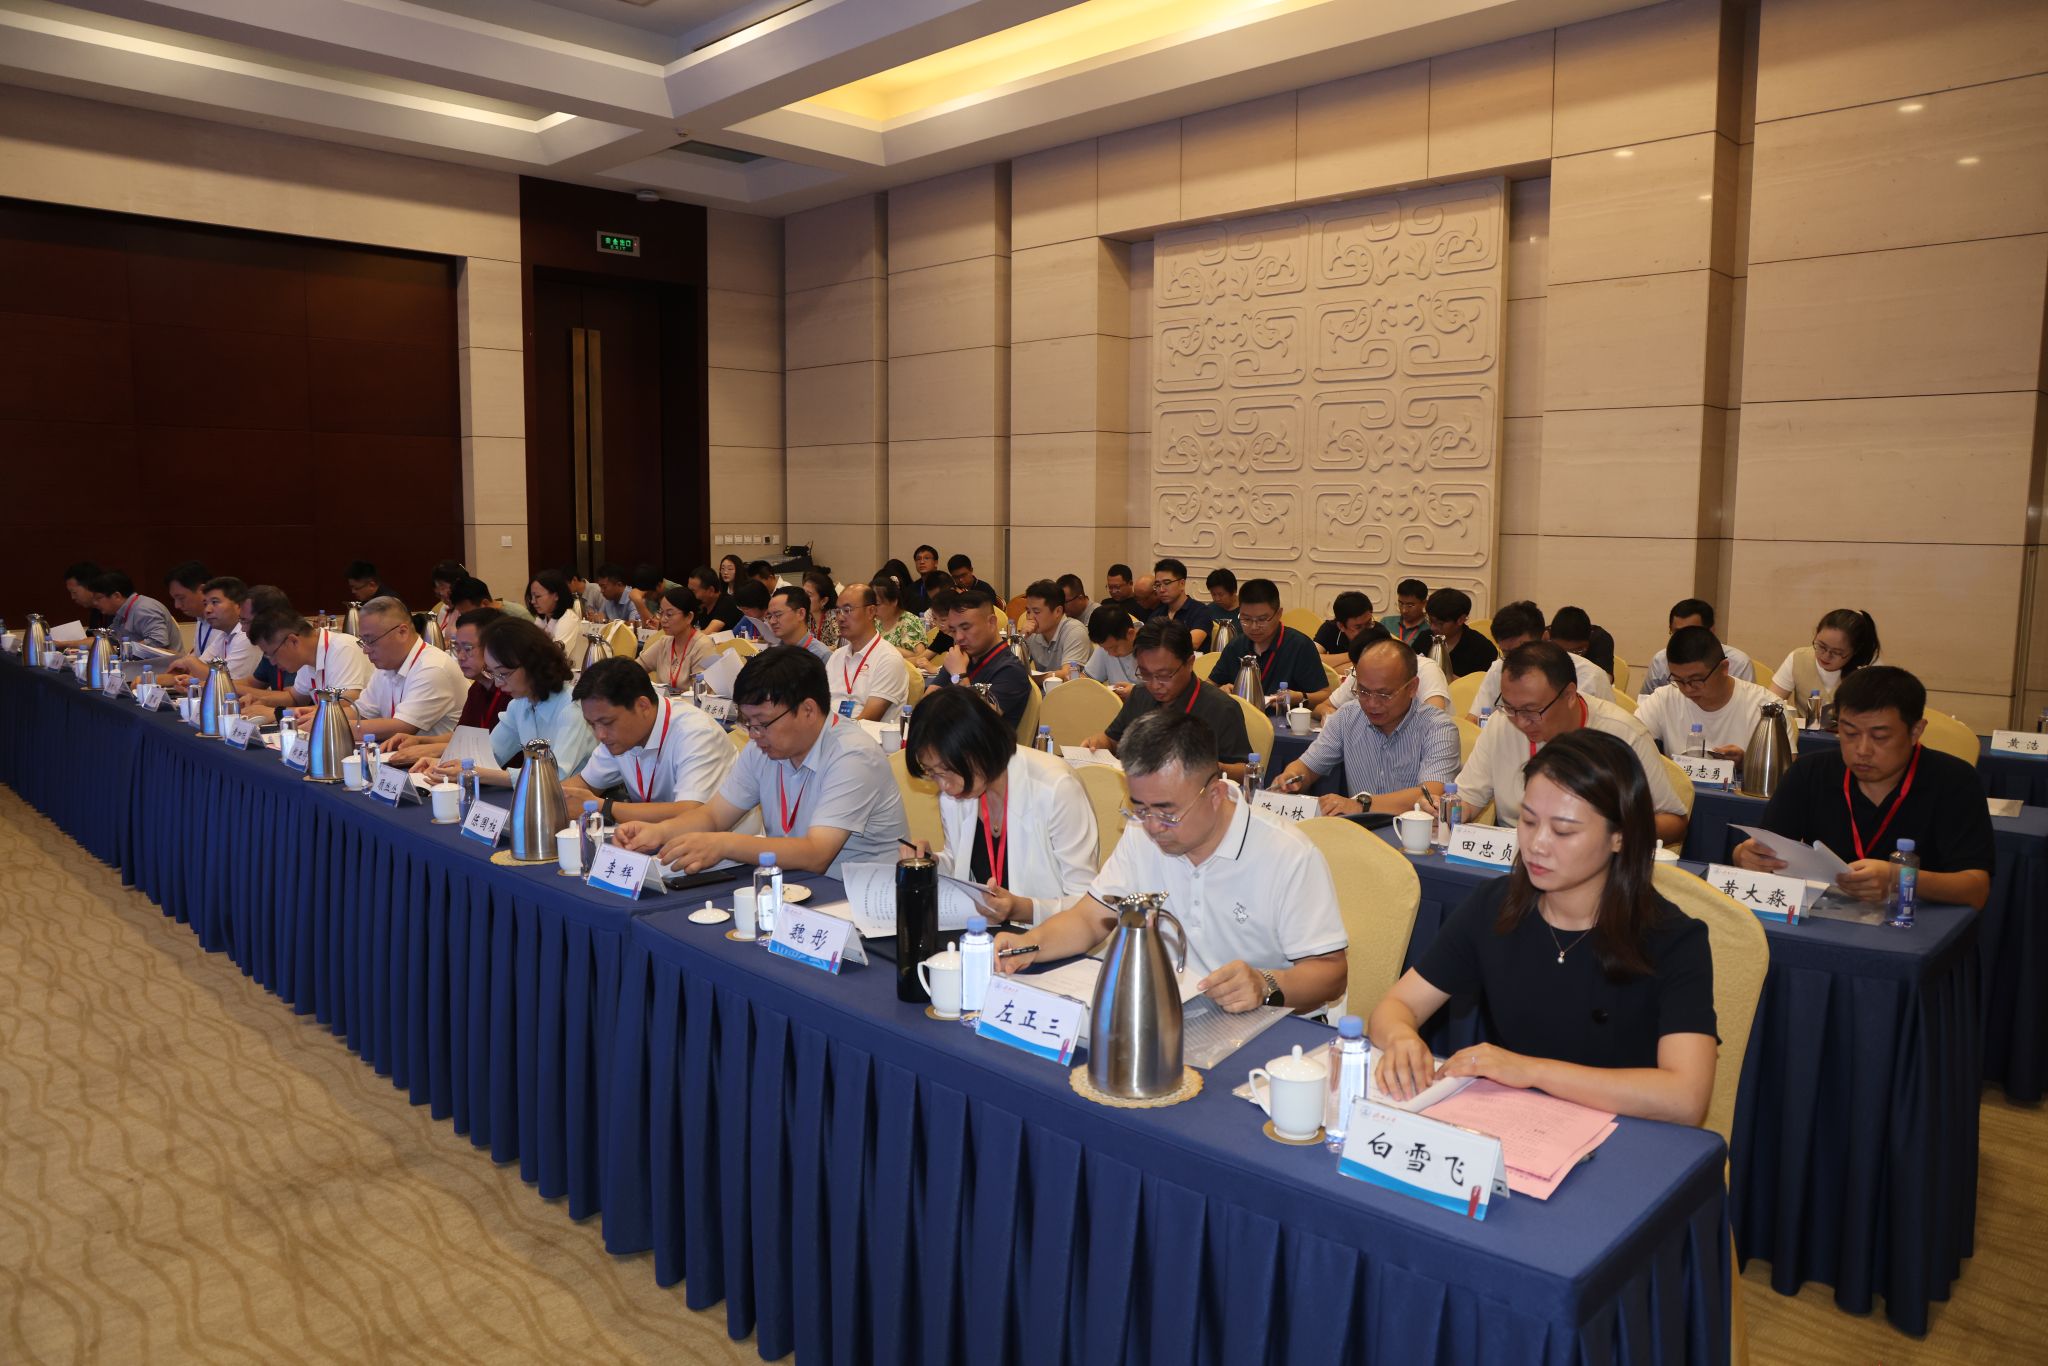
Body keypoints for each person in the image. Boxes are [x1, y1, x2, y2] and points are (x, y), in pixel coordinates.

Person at [1369, 729, 1717, 1124]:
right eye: (1529, 821)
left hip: (1624, 1134)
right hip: (1513, 1125)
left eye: (1564, 831)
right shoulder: (1496, 906)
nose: (1537, 844)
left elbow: (1686, 1098)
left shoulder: (1672, 939)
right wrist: (1401, 1038)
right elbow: (1395, 1007)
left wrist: (1531, 1071)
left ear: (1620, 836)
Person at [996, 711, 1347, 1013]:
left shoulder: (1287, 854)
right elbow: (1090, 918)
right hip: (1168, 1013)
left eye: (1167, 813)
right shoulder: (1141, 833)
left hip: (1264, 1028)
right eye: (1139, 809)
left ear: (1215, 793)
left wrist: (1265, 983)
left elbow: (1331, 973)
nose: (1152, 826)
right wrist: (1030, 945)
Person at [615, 645, 909, 877]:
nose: (754, 734)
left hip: (855, 895)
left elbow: (816, 854)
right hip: (793, 883)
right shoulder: (764, 746)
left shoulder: (853, 755)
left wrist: (724, 844)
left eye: (762, 723)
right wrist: (658, 832)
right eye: (748, 723)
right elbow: (714, 816)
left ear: (808, 710)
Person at [1733, 666, 1992, 910]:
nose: (1862, 750)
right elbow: (1765, 849)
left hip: (1914, 924)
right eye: (1850, 733)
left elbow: (1976, 889)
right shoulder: (1810, 772)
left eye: (1880, 737)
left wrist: (1899, 878)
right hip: (1824, 919)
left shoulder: (1954, 780)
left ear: (1915, 731)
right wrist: (1744, 855)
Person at [1445, 643, 1690, 845]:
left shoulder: (1623, 734)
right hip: (1514, 858)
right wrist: (1446, 810)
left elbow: (1674, 822)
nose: (1520, 721)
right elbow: (1468, 799)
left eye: (1532, 710)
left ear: (1570, 695)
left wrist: (1609, 834)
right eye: (1510, 707)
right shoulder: (1501, 724)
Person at [902, 686, 1098, 926]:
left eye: (948, 770)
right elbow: (962, 867)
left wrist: (1021, 909)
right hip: (983, 933)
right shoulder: (955, 793)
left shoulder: (1056, 788)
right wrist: (930, 863)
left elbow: (1088, 904)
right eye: (932, 772)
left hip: (1049, 936)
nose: (944, 786)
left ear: (981, 745)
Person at [1271, 639, 1461, 814]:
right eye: (1363, 691)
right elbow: (1307, 766)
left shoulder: (1438, 727)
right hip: (1359, 832)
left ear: (1412, 687)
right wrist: (1292, 776)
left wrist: (1361, 804)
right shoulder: (1348, 716)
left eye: (1384, 694)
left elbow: (1430, 795)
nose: (1371, 703)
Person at [414, 617, 593, 786]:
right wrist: (442, 764)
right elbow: (488, 756)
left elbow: (556, 775)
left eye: (504, 674)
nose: (498, 683)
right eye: (493, 673)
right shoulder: (520, 705)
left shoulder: (572, 708)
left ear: (532, 664)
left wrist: (477, 773)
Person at [562, 659, 742, 825]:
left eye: (607, 722)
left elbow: (690, 814)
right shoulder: (619, 736)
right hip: (658, 840)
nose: (599, 734)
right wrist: (551, 798)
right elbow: (584, 783)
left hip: (723, 846)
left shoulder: (697, 733)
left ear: (643, 706)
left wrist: (603, 808)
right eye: (592, 724)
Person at [1084, 618, 1251, 774]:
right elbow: (1111, 739)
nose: (1154, 685)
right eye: (1145, 674)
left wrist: (1211, 768)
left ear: (1189, 663)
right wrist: (1099, 743)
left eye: (1164, 675)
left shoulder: (1221, 708)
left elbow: (1245, 770)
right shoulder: (1140, 695)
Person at [1635, 627, 1783, 767]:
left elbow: (1786, 772)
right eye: (1678, 680)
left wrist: (1747, 763)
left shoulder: (1766, 707)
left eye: (1696, 680)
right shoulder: (1663, 699)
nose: (1687, 689)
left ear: (1724, 668)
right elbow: (1630, 745)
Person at [383, 607, 508, 764]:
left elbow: (494, 750)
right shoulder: (477, 688)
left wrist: (435, 750)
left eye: (468, 649)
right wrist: (420, 741)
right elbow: (462, 737)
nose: (460, 657)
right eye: (457, 648)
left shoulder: (511, 691)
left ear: (494, 647)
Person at [1462, 601, 1613, 721]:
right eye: (1507, 653)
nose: (1515, 660)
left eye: (1521, 650)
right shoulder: (1499, 668)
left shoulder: (1590, 676)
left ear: (1545, 638)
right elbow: (1474, 719)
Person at [343, 595, 468, 740]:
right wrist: (326, 717)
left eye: (370, 640)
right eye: (363, 641)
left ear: (402, 632)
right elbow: (360, 713)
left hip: (440, 753)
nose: (365, 650)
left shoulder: (433, 667)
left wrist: (333, 726)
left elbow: (401, 728)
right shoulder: (386, 665)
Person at [1207, 578, 1328, 706]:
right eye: (1246, 619)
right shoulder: (1235, 646)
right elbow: (1208, 685)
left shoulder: (1299, 645)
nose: (1254, 627)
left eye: (1262, 619)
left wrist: (1299, 697)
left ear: (1279, 614)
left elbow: (1325, 694)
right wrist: (1220, 691)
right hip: (1241, 716)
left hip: (1282, 717)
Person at [932, 589, 1034, 730]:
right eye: (953, 630)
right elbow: (928, 704)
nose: (958, 637)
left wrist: (959, 676)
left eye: (966, 628)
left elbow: (978, 723)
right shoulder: (961, 657)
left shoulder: (1010, 670)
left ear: (991, 622)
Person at [242, 608, 371, 713]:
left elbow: (345, 704)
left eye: (272, 654)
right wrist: (262, 701)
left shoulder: (343, 647)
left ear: (293, 641)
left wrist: (277, 713)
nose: (273, 662)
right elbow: (295, 698)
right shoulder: (306, 657)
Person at [825, 582, 913, 723]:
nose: (840, 617)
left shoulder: (888, 659)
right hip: (831, 730)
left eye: (847, 610)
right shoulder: (837, 656)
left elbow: (869, 719)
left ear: (871, 611)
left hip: (865, 734)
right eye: (838, 611)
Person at [1319, 626, 1452, 717]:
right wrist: (1331, 716)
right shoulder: (1362, 672)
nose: (1373, 703)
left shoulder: (1426, 670)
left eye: (1384, 694)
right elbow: (1322, 707)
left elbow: (1434, 721)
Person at [1767, 608, 1881, 711]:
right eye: (1821, 646)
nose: (1826, 656)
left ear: (1856, 650)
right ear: (1816, 634)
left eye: (1837, 652)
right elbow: (1771, 702)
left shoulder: (1869, 670)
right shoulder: (1799, 658)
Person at [1638, 599, 1754, 694]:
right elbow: (1645, 703)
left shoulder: (1739, 663)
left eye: (1692, 632)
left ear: (1711, 631)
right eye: (1677, 633)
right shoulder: (1660, 660)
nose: (1685, 639)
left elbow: (1745, 707)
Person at [165, 576, 261, 682]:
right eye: (205, 604)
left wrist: (190, 661)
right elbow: (197, 669)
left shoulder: (246, 637)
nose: (207, 610)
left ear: (238, 605)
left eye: (215, 602)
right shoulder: (223, 635)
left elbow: (227, 683)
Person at [639, 585, 718, 693]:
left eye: (669, 614)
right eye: (661, 613)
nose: (663, 619)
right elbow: (636, 668)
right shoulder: (665, 642)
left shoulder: (704, 646)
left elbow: (701, 694)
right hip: (664, 702)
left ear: (689, 617)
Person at [87, 571, 177, 652]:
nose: (95, 603)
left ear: (117, 596)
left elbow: (158, 642)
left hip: (166, 664)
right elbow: (110, 639)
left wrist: (123, 649)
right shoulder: (122, 611)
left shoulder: (144, 609)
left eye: (98, 598)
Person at [1020, 577, 1091, 678]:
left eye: (1036, 612)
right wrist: (1021, 638)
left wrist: (1033, 679)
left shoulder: (1075, 631)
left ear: (1058, 611)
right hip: (1045, 687)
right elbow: (1010, 668)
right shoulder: (1031, 633)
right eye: (1028, 611)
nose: (1030, 617)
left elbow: (1068, 674)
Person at [1425, 587, 1497, 678]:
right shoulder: (1424, 638)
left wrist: (1454, 680)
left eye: (1440, 624)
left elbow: (1483, 684)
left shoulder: (1482, 649)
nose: (1432, 627)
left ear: (1461, 620)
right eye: (1430, 621)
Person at [526, 568, 590, 667]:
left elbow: (554, 658)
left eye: (537, 596)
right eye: (532, 597)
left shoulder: (568, 619)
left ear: (556, 595)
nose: (533, 601)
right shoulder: (542, 618)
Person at [1148, 557, 1210, 648]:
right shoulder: (1157, 614)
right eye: (1158, 584)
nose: (1161, 590)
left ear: (1182, 584)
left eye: (1167, 583)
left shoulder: (1200, 611)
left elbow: (1193, 643)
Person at [1082, 603, 1141, 695]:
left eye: (1114, 648)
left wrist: (1137, 693)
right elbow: (1087, 679)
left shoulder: (1153, 646)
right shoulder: (1107, 645)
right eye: (1105, 649)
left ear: (1131, 634)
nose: (1110, 654)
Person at [764, 585, 831, 661]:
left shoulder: (821, 655)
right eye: (769, 616)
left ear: (801, 614)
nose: (772, 621)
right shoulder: (773, 652)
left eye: (778, 615)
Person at [1314, 590, 1377, 666]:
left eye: (1368, 623)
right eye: (1358, 627)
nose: (1365, 631)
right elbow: (1312, 658)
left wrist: (1333, 667)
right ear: (1341, 626)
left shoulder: (1378, 630)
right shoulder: (1329, 628)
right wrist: (1354, 655)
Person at [873, 575, 928, 656]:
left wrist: (886, 648)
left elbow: (920, 656)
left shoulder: (909, 622)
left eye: (877, 604)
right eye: (870, 603)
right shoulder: (874, 621)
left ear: (894, 601)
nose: (873, 608)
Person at [447, 575, 532, 622]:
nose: (467, 619)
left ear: (485, 603)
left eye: (468, 614)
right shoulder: (483, 619)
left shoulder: (518, 616)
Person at [1381, 578, 1431, 648]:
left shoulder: (1430, 629)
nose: (1404, 610)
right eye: (1401, 603)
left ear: (1424, 603)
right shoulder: (1386, 623)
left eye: (1410, 605)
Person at [691, 565, 740, 635]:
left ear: (711, 590)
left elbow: (706, 634)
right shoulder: (702, 605)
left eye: (693, 591)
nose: (691, 595)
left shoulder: (727, 603)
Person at [162, 560, 211, 629]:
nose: (177, 606)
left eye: (181, 598)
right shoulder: (201, 620)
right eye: (174, 599)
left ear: (203, 590)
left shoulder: (223, 626)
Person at [428, 560, 468, 639]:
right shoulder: (442, 608)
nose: (441, 592)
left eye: (442, 587)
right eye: (439, 594)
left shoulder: (471, 608)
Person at [801, 568, 840, 649]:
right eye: (803, 593)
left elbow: (841, 648)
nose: (803, 598)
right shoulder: (808, 616)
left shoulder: (834, 619)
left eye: (809, 595)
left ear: (823, 601)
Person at [63, 561, 109, 629]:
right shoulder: (95, 611)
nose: (72, 597)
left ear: (90, 586)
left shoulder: (113, 609)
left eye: (74, 592)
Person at [1205, 568, 1240, 634]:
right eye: (1213, 594)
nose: (1217, 599)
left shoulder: (1248, 610)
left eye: (1221, 594)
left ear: (1234, 591)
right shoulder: (1208, 611)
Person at [908, 544, 941, 611]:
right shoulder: (911, 589)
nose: (922, 562)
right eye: (918, 559)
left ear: (936, 563)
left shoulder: (944, 583)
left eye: (926, 558)